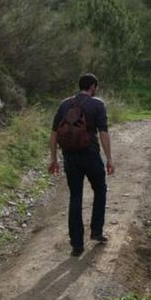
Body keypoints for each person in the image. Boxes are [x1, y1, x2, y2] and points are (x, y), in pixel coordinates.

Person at [48, 73, 115, 257]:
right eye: (96, 87)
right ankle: (96, 232)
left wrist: (53, 158)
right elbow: (103, 133)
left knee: (75, 197)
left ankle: (77, 245)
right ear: (93, 86)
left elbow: (54, 134)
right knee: (100, 190)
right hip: (90, 155)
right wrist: (109, 158)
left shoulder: (64, 104)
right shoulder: (97, 104)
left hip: (70, 157)